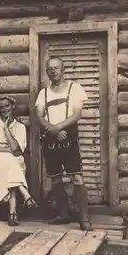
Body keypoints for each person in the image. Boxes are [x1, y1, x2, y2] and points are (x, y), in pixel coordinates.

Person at [35, 57, 93, 231]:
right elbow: (39, 116)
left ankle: (84, 219)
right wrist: (52, 131)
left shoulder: (75, 89)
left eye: (56, 68)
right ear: (47, 72)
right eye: (50, 69)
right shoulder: (43, 93)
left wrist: (57, 128)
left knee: (76, 177)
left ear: (63, 69)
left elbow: (77, 115)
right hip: (50, 140)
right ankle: (63, 214)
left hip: (68, 137)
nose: (53, 71)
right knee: (55, 178)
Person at [0, 96, 39, 226]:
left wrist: (6, 130)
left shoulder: (20, 127)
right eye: (2, 107)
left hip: (12, 160)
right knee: (11, 165)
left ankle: (12, 213)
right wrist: (9, 150)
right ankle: (25, 196)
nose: (4, 109)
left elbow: (17, 148)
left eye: (7, 106)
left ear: (13, 107)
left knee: (11, 166)